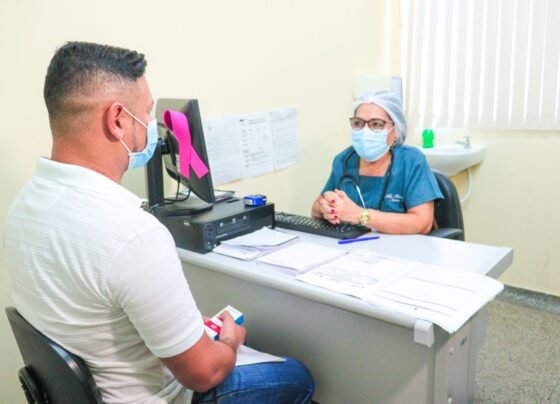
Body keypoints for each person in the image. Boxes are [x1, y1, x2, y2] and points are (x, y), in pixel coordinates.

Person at [4, 42, 314, 404]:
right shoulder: (133, 233)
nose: (152, 126)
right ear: (118, 120)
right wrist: (230, 340)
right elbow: (204, 374)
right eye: (147, 113)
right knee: (297, 377)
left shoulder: (24, 206)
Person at [311, 90, 443, 234]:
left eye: (376, 124)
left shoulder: (411, 161)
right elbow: (316, 209)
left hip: (401, 245)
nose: (365, 131)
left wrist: (359, 215)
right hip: (353, 244)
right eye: (358, 123)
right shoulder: (344, 160)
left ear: (396, 130)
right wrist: (324, 208)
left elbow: (422, 223)